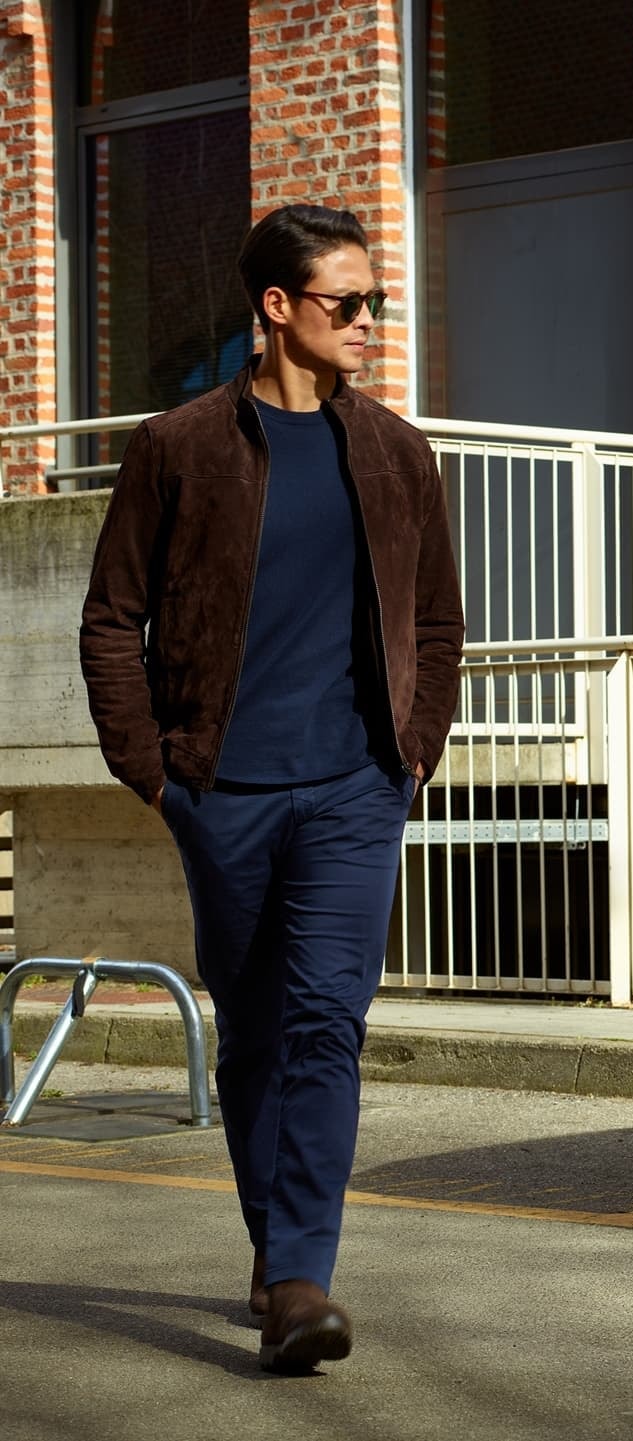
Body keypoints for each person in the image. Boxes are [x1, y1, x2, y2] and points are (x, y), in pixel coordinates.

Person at [79, 203, 465, 1373]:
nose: (367, 324)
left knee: (324, 1024)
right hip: (224, 790)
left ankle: (304, 1280)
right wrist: (156, 774)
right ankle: (272, 1241)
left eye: (373, 302)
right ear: (277, 308)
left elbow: (439, 621)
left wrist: (414, 748)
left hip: (356, 786)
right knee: (252, 1029)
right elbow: (113, 620)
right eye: (345, 304)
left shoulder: (397, 452)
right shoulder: (179, 447)